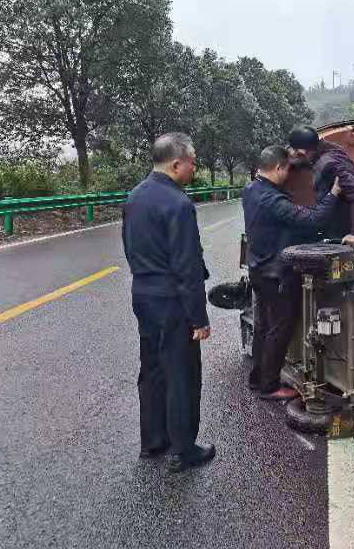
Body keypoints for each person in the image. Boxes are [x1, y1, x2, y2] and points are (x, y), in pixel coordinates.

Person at [121, 132, 215, 474]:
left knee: (153, 369)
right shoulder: (179, 204)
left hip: (143, 295)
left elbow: (130, 247)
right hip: (172, 301)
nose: (194, 168)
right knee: (182, 373)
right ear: (177, 164)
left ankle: (153, 440)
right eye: (192, 162)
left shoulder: (134, 197)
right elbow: (186, 267)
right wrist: (199, 318)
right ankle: (184, 450)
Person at [242, 145, 342, 400]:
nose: (289, 175)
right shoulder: (273, 201)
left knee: (264, 327)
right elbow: (314, 221)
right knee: (280, 328)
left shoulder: (251, 190)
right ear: (277, 168)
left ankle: (257, 378)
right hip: (277, 275)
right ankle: (270, 386)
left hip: (259, 270)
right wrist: (333, 193)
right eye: (286, 169)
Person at [287, 125, 354, 246]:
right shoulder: (327, 149)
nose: (294, 154)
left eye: (297, 152)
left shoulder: (328, 164)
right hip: (350, 224)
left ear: (304, 152)